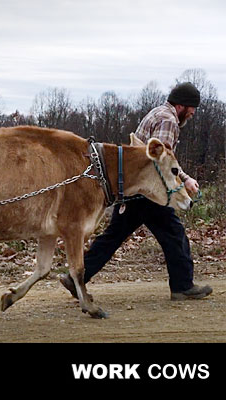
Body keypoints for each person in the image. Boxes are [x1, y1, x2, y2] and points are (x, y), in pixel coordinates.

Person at [59, 82, 212, 301]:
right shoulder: (169, 121)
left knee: (113, 235)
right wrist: (185, 180)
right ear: (181, 106)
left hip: (133, 186)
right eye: (192, 108)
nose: (193, 113)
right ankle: (182, 286)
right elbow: (162, 163)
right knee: (174, 234)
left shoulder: (156, 112)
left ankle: (76, 278)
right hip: (149, 190)